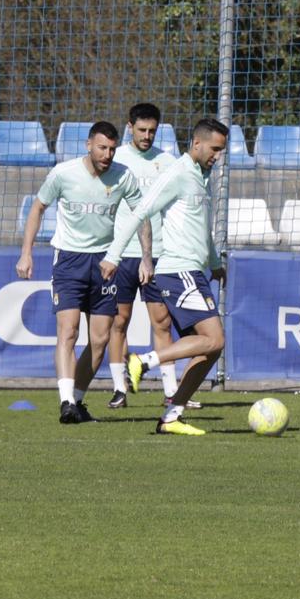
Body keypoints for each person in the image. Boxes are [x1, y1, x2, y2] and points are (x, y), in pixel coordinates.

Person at [17, 121, 144, 425]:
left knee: (100, 339)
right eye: (102, 147)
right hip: (69, 261)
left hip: (105, 262)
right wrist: (26, 252)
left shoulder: (124, 176)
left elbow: (142, 216)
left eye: (112, 149)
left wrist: (147, 258)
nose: (108, 154)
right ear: (89, 145)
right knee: (69, 331)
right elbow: (37, 207)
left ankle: (76, 400)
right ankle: (65, 402)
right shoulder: (63, 173)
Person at [112, 119, 231, 436]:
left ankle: (172, 416)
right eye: (215, 149)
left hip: (194, 270)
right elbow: (141, 211)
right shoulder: (177, 174)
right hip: (177, 271)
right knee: (215, 338)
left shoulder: (200, 177)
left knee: (210, 348)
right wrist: (114, 255)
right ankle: (143, 361)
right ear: (197, 144)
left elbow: (201, 229)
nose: (218, 156)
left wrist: (215, 263)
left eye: (222, 151)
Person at [103, 103, 180, 410]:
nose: (147, 136)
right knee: (118, 321)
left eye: (152, 131)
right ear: (130, 127)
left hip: (158, 253)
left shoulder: (168, 162)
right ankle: (119, 388)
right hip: (122, 255)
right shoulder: (116, 158)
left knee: (161, 323)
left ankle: (170, 390)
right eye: (142, 130)